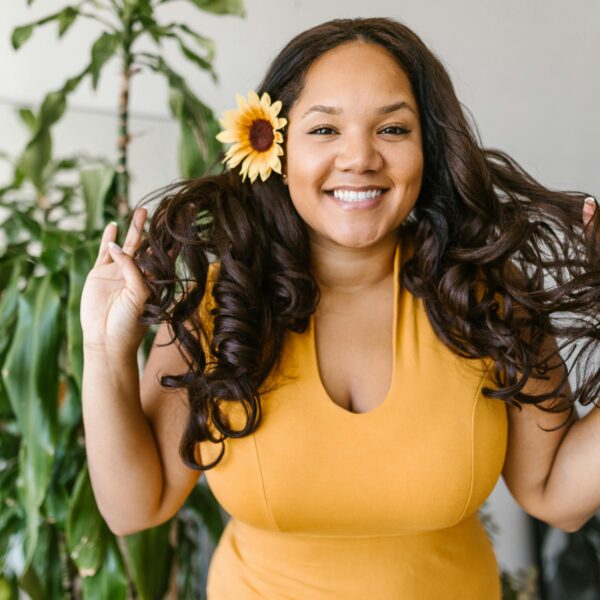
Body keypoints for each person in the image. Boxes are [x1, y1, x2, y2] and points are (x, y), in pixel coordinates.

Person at [80, 16, 600, 599]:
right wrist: (104, 351)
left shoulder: (486, 296)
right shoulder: (221, 304)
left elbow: (558, 496)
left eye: (393, 129)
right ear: (272, 148)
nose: (359, 158)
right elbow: (136, 508)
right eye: (325, 130)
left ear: (428, 146)